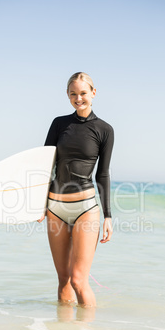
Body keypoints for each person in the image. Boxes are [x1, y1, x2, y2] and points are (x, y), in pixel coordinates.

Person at [38, 72, 114, 307]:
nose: (78, 98)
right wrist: (38, 204)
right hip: (55, 207)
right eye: (73, 94)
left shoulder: (104, 130)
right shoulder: (59, 123)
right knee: (63, 280)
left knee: (79, 280)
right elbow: (44, 165)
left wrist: (108, 215)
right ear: (68, 95)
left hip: (85, 208)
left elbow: (102, 174)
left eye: (83, 93)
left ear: (93, 93)